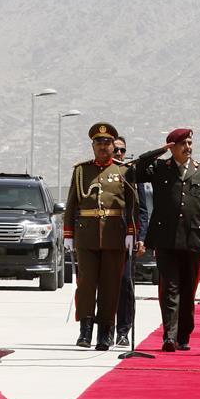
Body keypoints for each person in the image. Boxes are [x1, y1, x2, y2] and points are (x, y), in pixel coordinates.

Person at [135, 128, 200, 352]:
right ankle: (169, 336)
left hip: (193, 239)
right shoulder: (161, 168)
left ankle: (184, 335)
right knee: (169, 288)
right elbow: (138, 169)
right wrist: (160, 151)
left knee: (188, 289)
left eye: (190, 143)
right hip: (165, 238)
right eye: (183, 144)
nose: (188, 148)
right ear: (172, 147)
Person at [64, 122, 138, 350]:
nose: (103, 146)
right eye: (99, 143)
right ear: (93, 145)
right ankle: (85, 331)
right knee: (85, 285)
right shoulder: (80, 171)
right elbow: (71, 205)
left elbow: (133, 206)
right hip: (86, 236)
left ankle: (105, 333)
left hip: (114, 236)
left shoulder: (123, 171)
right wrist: (68, 233)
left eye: (107, 143)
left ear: (113, 145)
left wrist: (131, 232)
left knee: (110, 286)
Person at [113, 136, 149, 347]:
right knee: (105, 287)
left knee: (126, 284)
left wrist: (141, 237)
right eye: (115, 150)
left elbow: (142, 210)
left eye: (122, 150)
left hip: (127, 238)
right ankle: (103, 331)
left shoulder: (132, 174)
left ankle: (124, 331)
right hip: (103, 239)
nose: (119, 154)